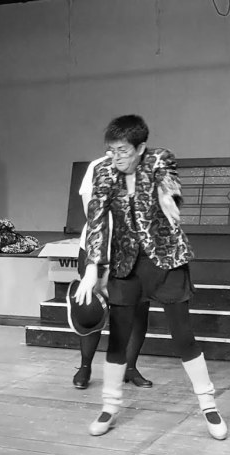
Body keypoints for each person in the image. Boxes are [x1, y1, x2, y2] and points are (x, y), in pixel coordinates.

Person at [77, 114, 227, 440]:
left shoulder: (159, 158)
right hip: (125, 265)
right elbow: (97, 222)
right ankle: (109, 407)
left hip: (166, 261)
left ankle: (208, 405)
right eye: (111, 150)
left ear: (140, 148)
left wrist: (167, 198)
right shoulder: (104, 171)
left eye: (123, 150)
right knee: (118, 337)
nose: (116, 157)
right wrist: (92, 269)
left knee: (183, 336)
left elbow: (169, 184)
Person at [73, 156, 154, 390]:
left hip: (136, 252)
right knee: (91, 308)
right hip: (98, 249)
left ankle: (130, 368)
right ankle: (85, 366)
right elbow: (93, 214)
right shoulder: (97, 167)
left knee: (138, 312)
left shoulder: (146, 168)